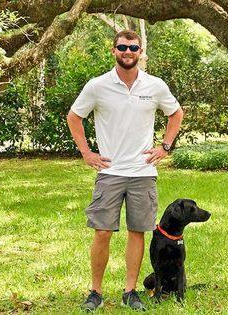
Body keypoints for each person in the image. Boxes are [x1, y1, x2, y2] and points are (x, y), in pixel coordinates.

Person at [66, 29, 184, 311]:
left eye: (133, 48)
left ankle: (130, 291)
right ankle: (95, 291)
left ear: (140, 51)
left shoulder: (154, 85)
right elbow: (74, 117)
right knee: (102, 232)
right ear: (113, 50)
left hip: (143, 173)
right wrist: (86, 152)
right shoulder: (97, 85)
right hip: (110, 171)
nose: (127, 52)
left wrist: (164, 147)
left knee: (137, 232)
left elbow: (176, 113)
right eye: (122, 47)